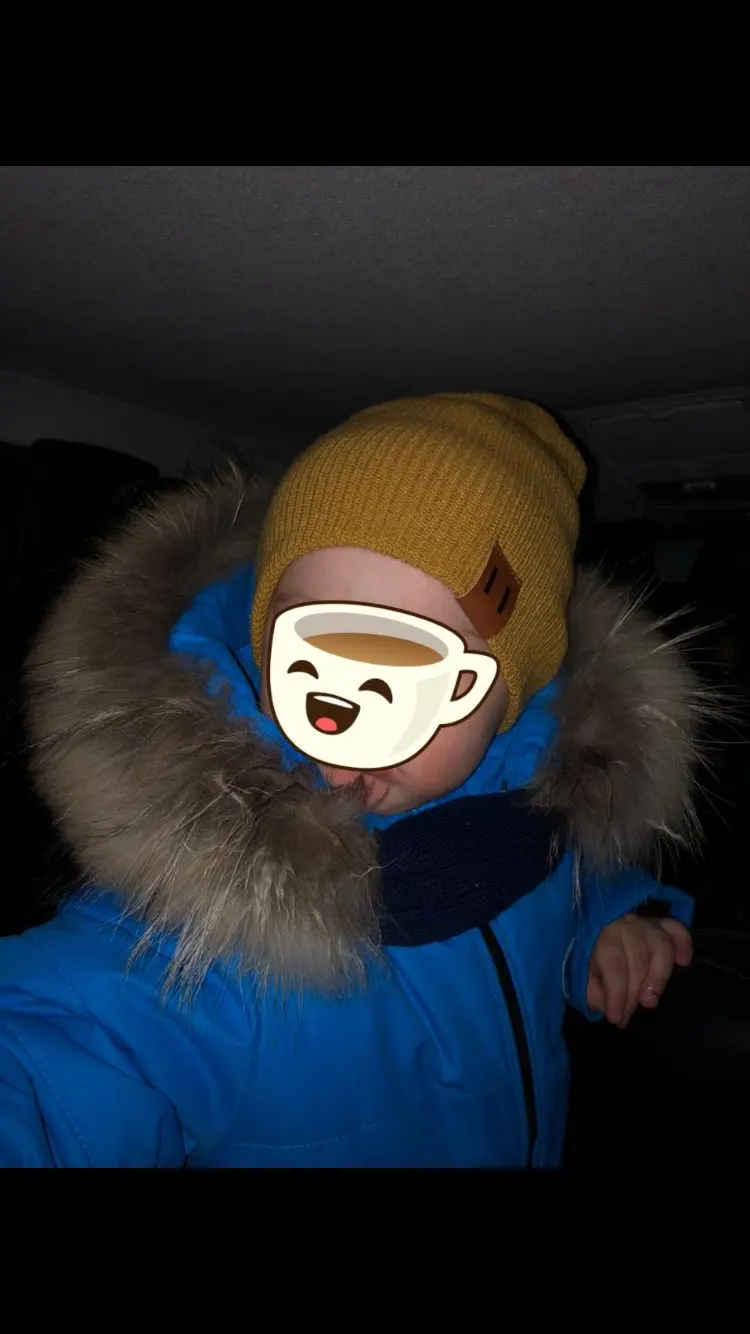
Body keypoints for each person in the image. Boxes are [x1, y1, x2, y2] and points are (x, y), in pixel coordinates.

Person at [1, 393, 699, 1168]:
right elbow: (56, 1045)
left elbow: (558, 884)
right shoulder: (204, 922)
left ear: (512, 696)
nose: (347, 718)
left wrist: (605, 921)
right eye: (317, 649)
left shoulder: (538, 810)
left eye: (412, 669)